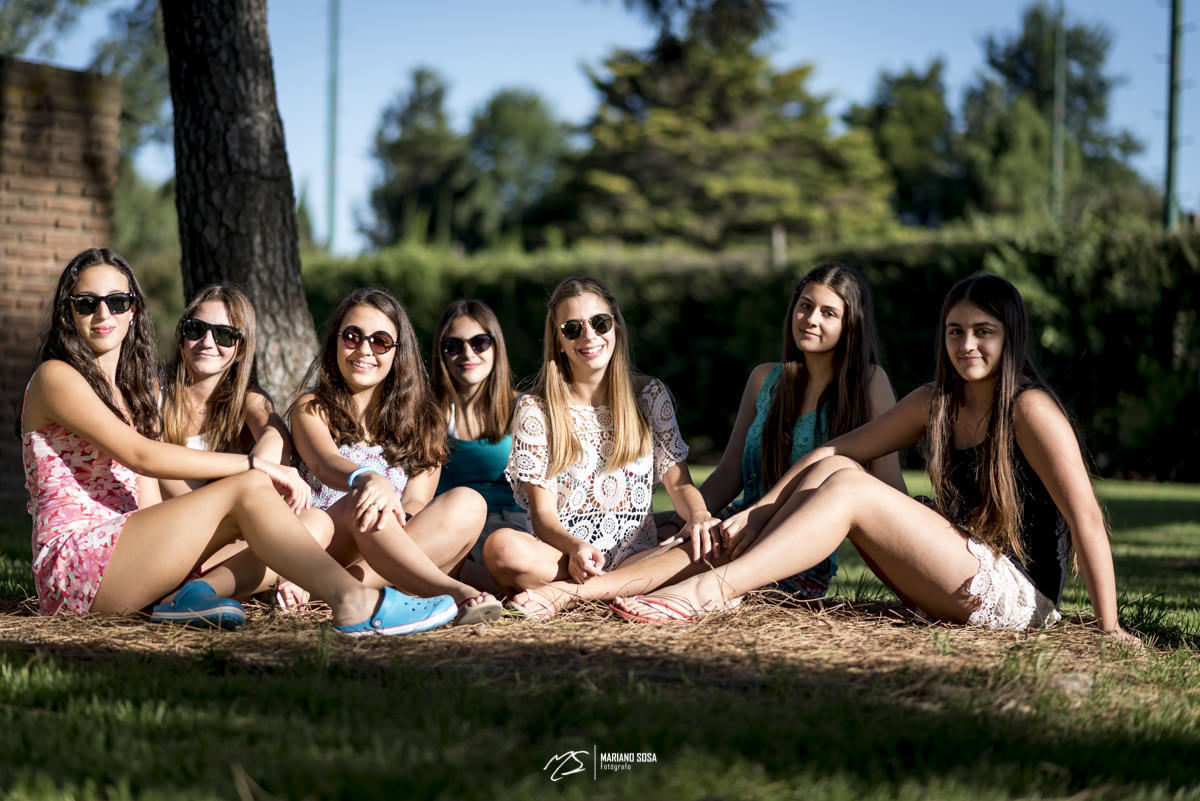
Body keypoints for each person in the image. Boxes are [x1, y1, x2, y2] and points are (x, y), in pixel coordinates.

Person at [613, 274, 1140, 645]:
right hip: (956, 572)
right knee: (838, 468)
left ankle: (713, 590)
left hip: (1020, 595)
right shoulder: (934, 401)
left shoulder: (1030, 408)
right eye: (955, 331)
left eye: (984, 332)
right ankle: (707, 578)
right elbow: (833, 451)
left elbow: (1085, 518)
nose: (967, 345)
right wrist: (758, 511)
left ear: (1010, 337)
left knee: (852, 486)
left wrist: (1108, 628)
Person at [22, 248, 456, 636]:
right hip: (77, 567)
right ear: (68, 313)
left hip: (124, 552)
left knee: (297, 513)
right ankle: (353, 601)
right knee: (248, 488)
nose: (104, 315)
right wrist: (254, 467)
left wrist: (183, 556)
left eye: (118, 302)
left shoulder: (129, 391)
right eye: (87, 303)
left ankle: (195, 595)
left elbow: (147, 499)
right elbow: (144, 456)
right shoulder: (56, 377)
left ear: (134, 311)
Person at [498, 264, 902, 618]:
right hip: (736, 524)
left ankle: (571, 593)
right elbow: (728, 473)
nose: (811, 319)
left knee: (702, 543)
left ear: (852, 324)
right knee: (684, 534)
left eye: (828, 312)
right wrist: (694, 517)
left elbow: (885, 485)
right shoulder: (766, 380)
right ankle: (623, 581)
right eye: (804, 306)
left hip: (792, 539)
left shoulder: (869, 383)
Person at [481, 276, 712, 617]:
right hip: (562, 558)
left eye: (600, 323)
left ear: (616, 327)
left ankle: (571, 595)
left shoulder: (649, 396)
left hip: (638, 553)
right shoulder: (536, 409)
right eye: (572, 328)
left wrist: (699, 516)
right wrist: (574, 548)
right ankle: (632, 586)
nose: (589, 336)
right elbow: (543, 518)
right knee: (501, 548)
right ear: (558, 341)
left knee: (712, 541)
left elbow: (679, 484)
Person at [290, 288, 502, 626]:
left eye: (380, 341)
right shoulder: (312, 407)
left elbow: (417, 501)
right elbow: (323, 462)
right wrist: (369, 480)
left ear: (397, 353)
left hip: (392, 545)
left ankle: (353, 589)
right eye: (352, 337)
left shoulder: (425, 422)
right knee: (368, 502)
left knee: (469, 502)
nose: (364, 350)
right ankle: (451, 591)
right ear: (334, 342)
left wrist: (396, 517)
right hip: (327, 542)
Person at [430, 299, 523, 590]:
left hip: (514, 532)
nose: (467, 354)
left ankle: (470, 586)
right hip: (453, 533)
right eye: (453, 346)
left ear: (496, 346)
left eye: (479, 342)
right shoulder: (429, 414)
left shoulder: (524, 408)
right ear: (441, 354)